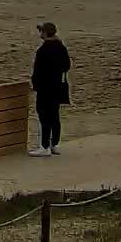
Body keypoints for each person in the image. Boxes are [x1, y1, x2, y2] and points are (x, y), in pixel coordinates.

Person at [29, 21, 71, 156]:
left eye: (41, 31)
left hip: (45, 89)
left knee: (44, 117)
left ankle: (44, 146)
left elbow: (37, 71)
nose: (40, 34)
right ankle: (55, 144)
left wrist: (35, 85)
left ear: (45, 33)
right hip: (57, 87)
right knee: (55, 116)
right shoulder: (61, 47)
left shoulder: (43, 50)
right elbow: (67, 66)